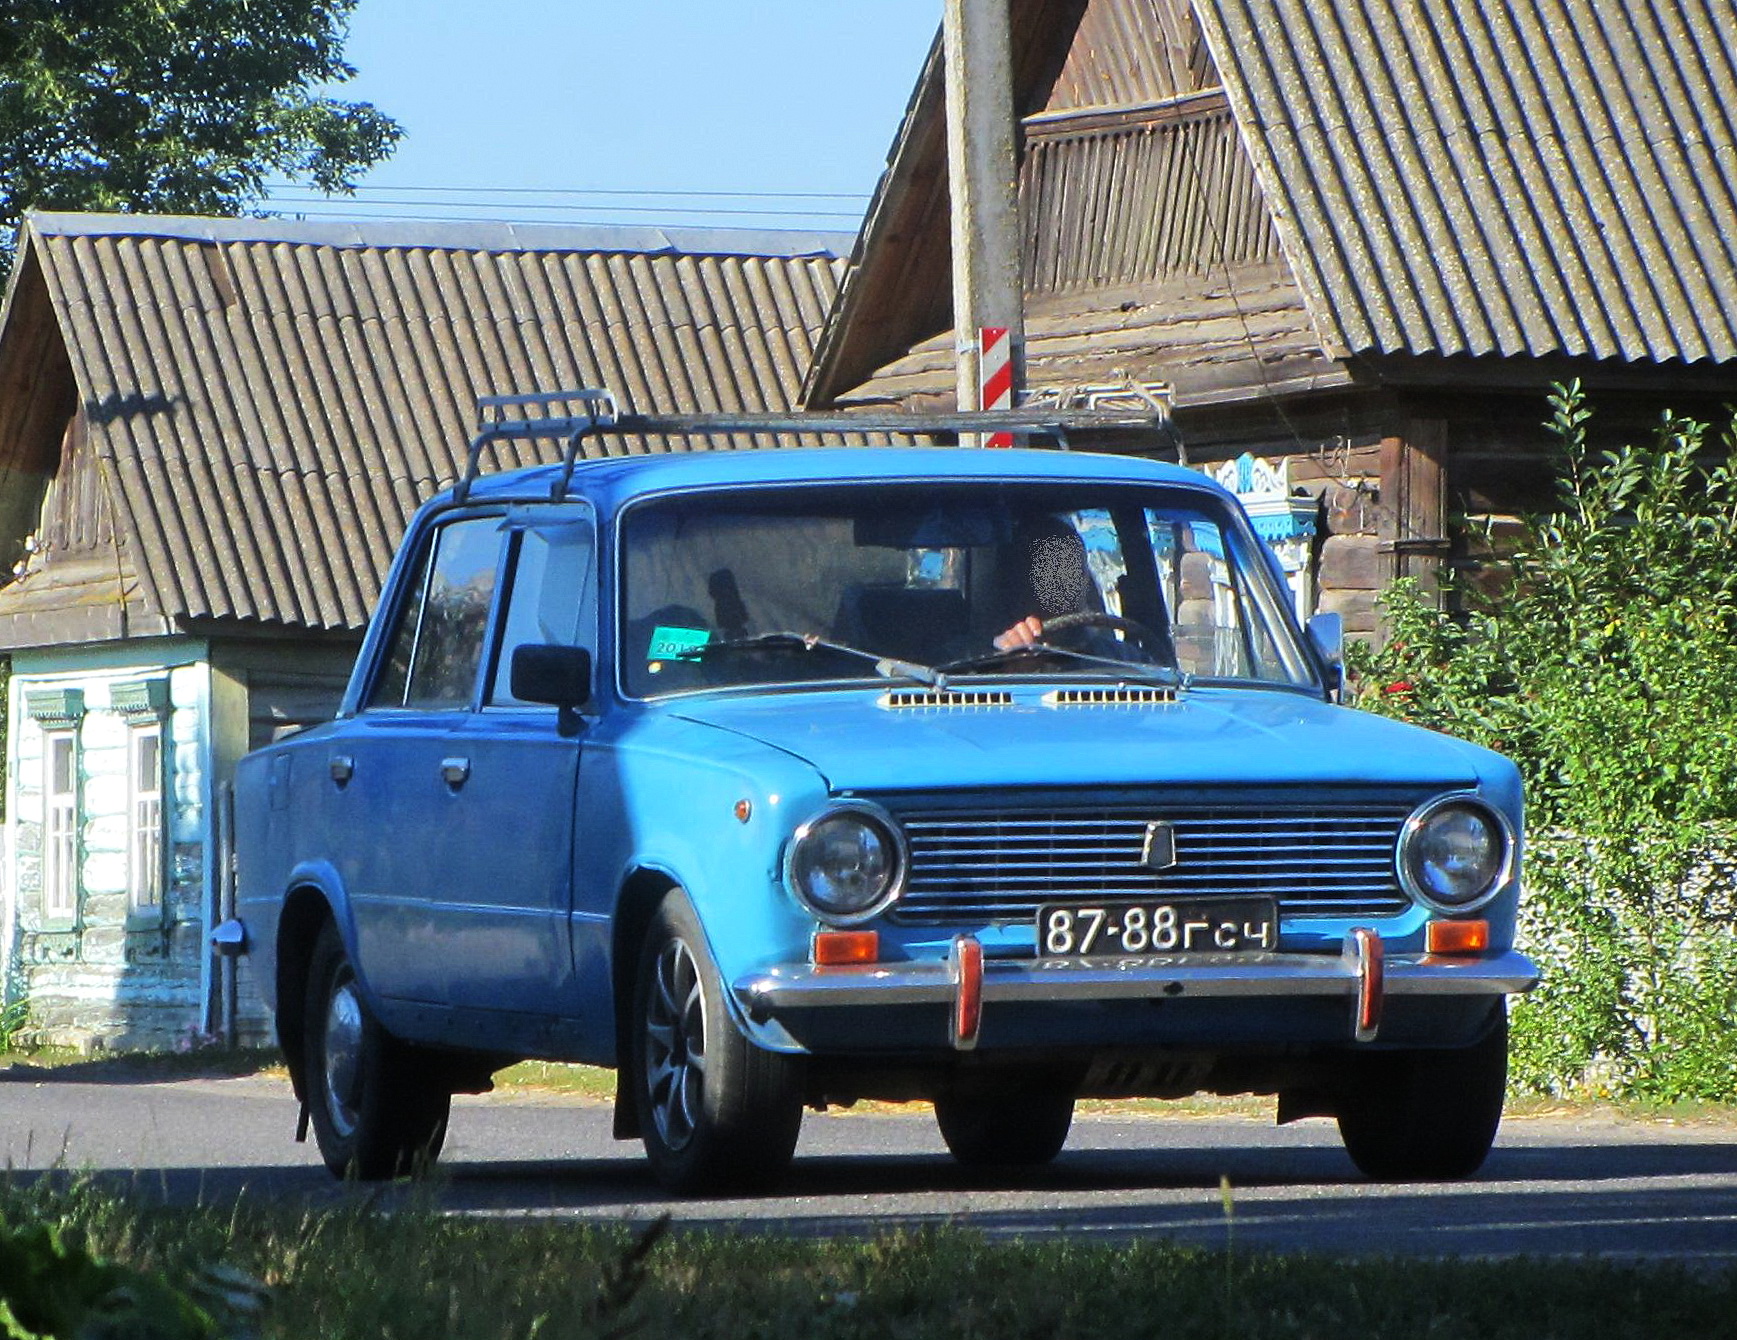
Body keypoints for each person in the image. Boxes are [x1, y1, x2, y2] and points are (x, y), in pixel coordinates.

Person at [992, 517, 1096, 650]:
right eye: (1054, 573)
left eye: (1077, 572)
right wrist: (1007, 655)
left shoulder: (1118, 656)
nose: (1070, 586)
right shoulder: (990, 661)